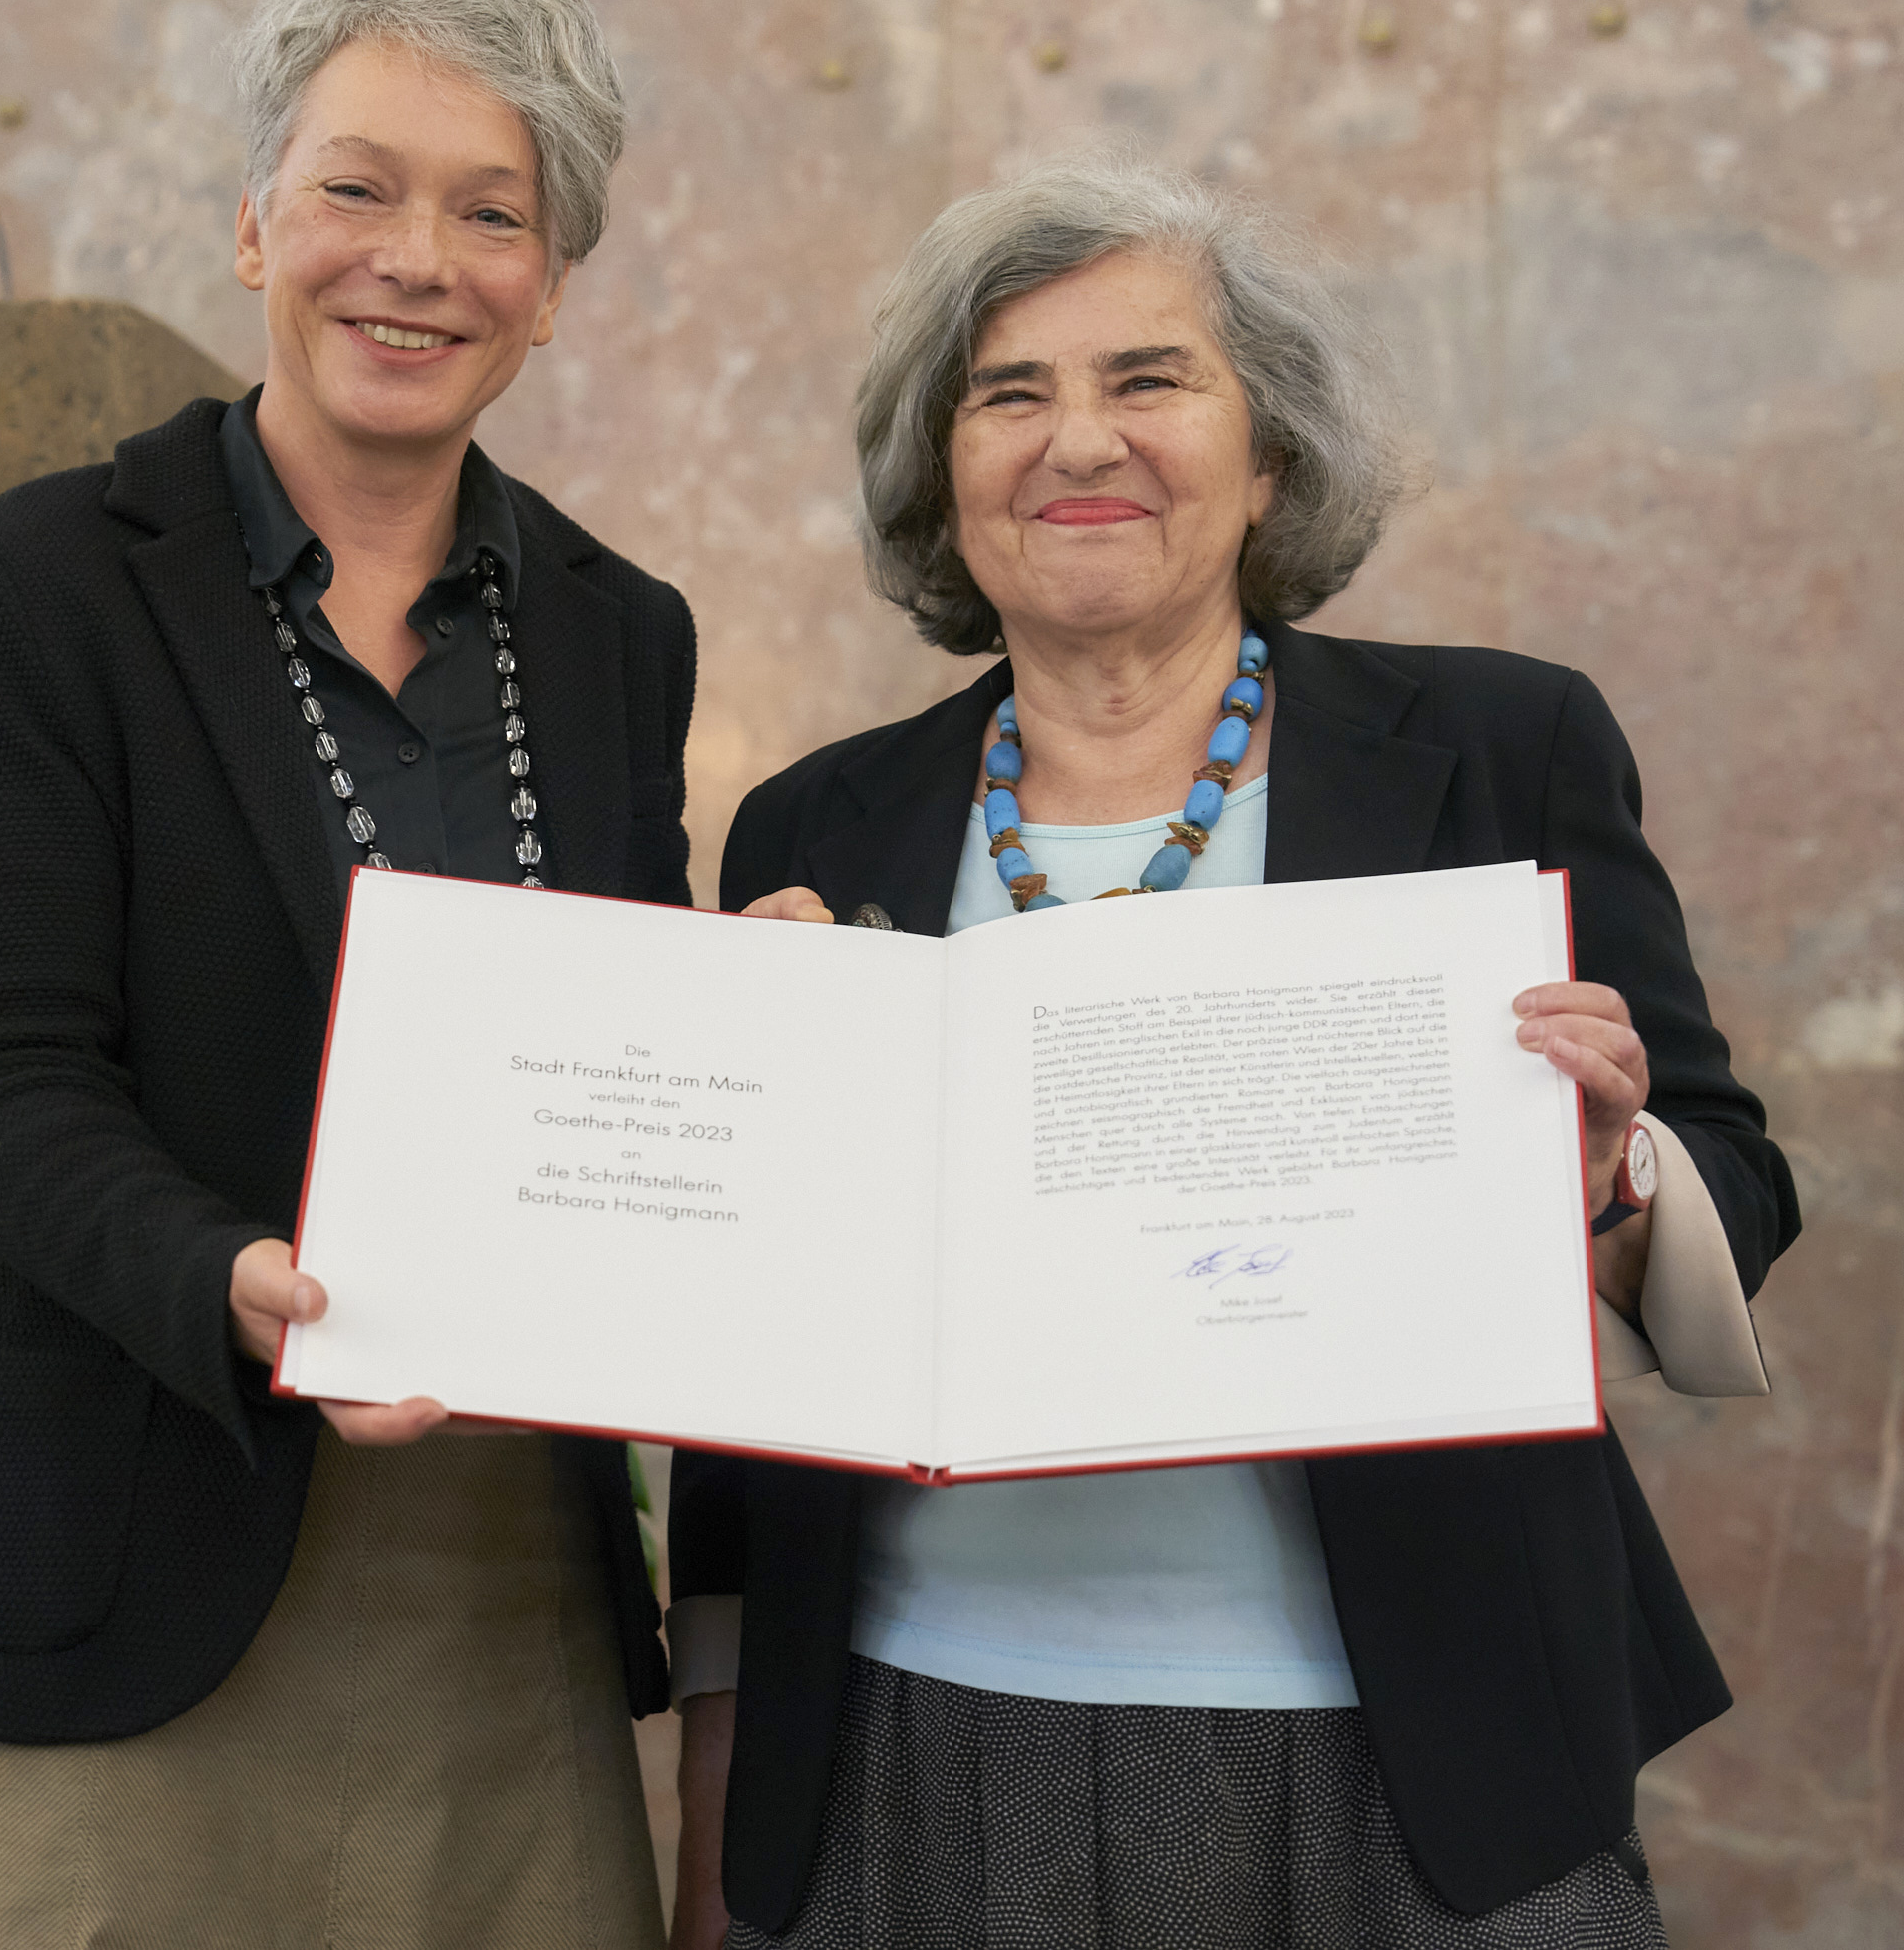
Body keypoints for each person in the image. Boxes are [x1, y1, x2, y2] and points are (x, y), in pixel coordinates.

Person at [668, 162, 1796, 1949]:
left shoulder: (1503, 746)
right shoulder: (819, 824)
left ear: (1269, 455)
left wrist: (1611, 1181)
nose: (1078, 441)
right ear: (939, 475)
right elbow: (753, 1386)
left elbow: (1732, 1161)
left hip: (1426, 1752)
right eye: (1009, 394)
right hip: (908, 1729)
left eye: (1149, 380)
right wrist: (719, 1802)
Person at [0, 0, 692, 1950]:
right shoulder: (35, 584)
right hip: (112, 1551)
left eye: (494, 212)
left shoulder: (613, 630)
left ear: (551, 286)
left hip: (496, 1591)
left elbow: (627, 1049)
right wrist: (228, 1280)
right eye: (356, 187)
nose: (417, 256)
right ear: (250, 223)